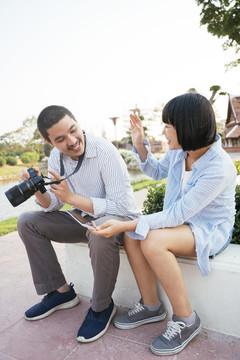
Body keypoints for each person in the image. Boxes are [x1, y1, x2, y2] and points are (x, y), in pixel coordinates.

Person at [89, 93, 237, 356]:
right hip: (181, 225)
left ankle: (186, 319)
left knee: (151, 238)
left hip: (209, 229)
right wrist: (140, 145)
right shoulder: (182, 151)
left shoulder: (218, 167)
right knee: (135, 234)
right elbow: (157, 171)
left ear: (187, 126)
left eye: (168, 126)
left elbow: (177, 214)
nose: (164, 132)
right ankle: (151, 306)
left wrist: (122, 225)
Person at [17, 105, 140, 343]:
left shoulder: (105, 151)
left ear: (77, 121)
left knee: (98, 230)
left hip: (119, 220)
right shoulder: (56, 156)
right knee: (27, 221)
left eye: (74, 130)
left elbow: (120, 207)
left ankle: (102, 307)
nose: (72, 141)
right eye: (61, 139)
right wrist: (39, 190)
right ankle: (61, 292)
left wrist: (72, 199)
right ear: (48, 140)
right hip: (82, 219)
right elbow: (52, 204)